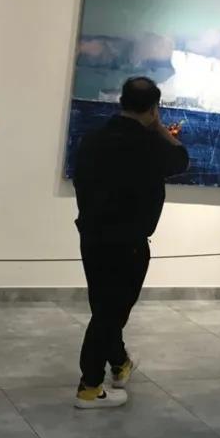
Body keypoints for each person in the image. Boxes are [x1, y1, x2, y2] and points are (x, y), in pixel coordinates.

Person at [71, 77, 189, 409]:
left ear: (122, 101)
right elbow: (181, 160)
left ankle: (119, 362)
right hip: (128, 243)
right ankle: (89, 386)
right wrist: (160, 128)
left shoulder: (92, 139)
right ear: (153, 109)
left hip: (91, 236)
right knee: (111, 313)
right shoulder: (150, 145)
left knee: (105, 307)